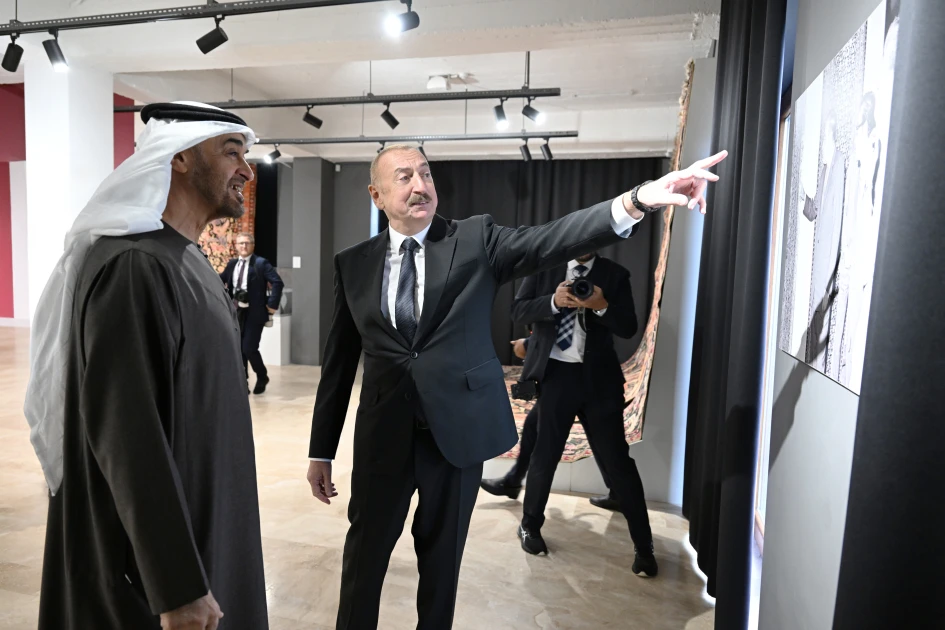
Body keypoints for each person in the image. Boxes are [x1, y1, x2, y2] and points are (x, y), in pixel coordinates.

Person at [306, 143, 726, 629]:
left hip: (456, 438)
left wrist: (638, 200)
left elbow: (553, 238)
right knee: (363, 559)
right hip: (383, 437)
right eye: (404, 177)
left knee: (440, 567)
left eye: (426, 174)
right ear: (376, 194)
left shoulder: (475, 239)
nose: (420, 186)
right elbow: (339, 363)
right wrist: (321, 450)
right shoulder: (353, 263)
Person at [24, 102, 269, 630]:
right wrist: (176, 585)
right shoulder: (135, 265)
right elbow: (128, 435)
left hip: (208, 519)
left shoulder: (184, 259)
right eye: (231, 153)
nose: (246, 171)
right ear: (179, 158)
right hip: (150, 577)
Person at [481, 333, 621, 512]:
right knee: (534, 426)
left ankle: (517, 489)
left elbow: (568, 331)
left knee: (597, 441)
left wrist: (528, 344)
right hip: (575, 377)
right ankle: (513, 482)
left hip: (577, 377)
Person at [221, 232, 285, 394]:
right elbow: (221, 280)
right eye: (241, 243)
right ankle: (243, 383)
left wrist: (272, 305)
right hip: (236, 312)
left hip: (254, 313)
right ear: (236, 246)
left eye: (247, 243)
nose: (244, 246)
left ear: (252, 245)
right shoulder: (232, 264)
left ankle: (262, 376)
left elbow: (277, 282)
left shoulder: (261, 263)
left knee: (249, 348)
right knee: (238, 348)